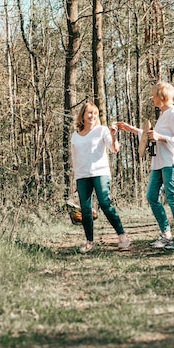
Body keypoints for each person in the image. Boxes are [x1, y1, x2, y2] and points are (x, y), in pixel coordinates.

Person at [117, 81, 174, 250]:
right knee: (151, 196)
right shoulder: (163, 115)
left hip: (171, 163)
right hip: (158, 163)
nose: (152, 98)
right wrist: (132, 129)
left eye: (155, 95)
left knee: (172, 198)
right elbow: (152, 135)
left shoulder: (173, 114)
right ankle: (166, 235)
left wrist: (160, 137)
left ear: (162, 96)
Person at [71, 101, 131, 253]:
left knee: (105, 203)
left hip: (100, 173)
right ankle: (89, 242)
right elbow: (75, 158)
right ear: (83, 115)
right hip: (82, 175)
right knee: (85, 209)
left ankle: (122, 236)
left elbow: (114, 149)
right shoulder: (75, 136)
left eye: (95, 113)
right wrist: (75, 179)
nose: (92, 116)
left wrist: (113, 134)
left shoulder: (102, 130)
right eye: (89, 113)